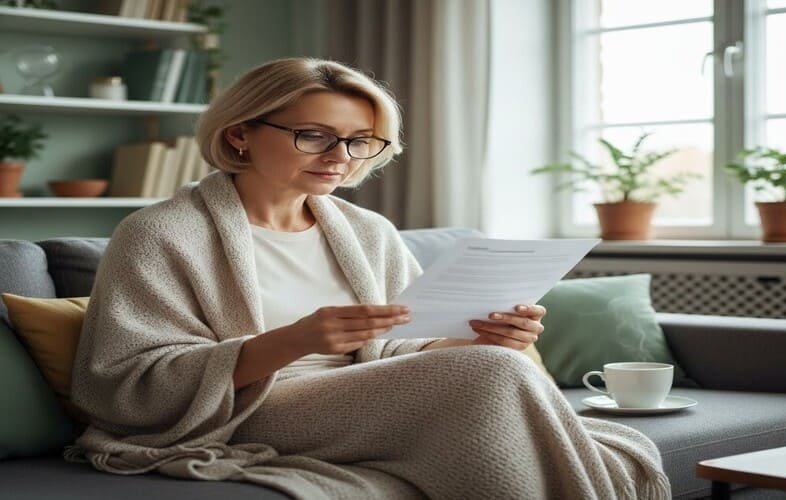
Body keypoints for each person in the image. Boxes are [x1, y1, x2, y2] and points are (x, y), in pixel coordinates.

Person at [68, 58, 670, 499]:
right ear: (239, 133)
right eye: (314, 135)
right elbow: (122, 383)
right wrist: (295, 340)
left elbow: (402, 352)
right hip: (249, 409)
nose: (340, 157)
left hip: (365, 396)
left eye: (359, 141)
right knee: (495, 374)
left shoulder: (367, 231)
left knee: (496, 362)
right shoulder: (160, 233)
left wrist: (477, 339)